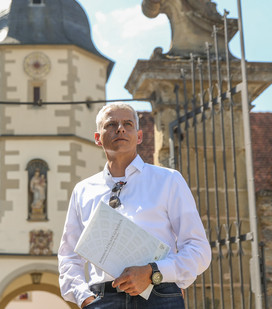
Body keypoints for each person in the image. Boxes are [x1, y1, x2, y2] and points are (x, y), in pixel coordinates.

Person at [58, 103, 211, 308]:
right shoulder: (83, 191)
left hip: (159, 295)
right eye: (111, 124)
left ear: (139, 136)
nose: (120, 128)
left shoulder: (168, 180)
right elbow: (69, 257)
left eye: (127, 124)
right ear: (97, 138)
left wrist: (154, 272)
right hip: (104, 299)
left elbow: (198, 249)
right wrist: (85, 298)